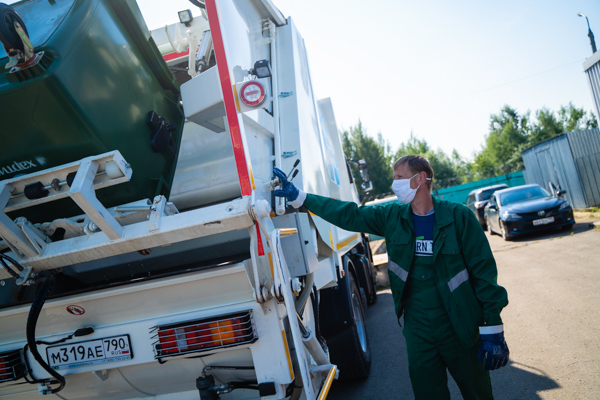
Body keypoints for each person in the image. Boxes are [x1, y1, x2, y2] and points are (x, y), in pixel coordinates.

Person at [273, 155, 509, 400]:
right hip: (418, 326)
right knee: (428, 393)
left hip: (460, 322)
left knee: (477, 392)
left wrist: (493, 327)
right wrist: (302, 198)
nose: (394, 183)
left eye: (399, 177)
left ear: (420, 178)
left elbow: (484, 273)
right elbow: (349, 214)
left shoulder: (459, 217)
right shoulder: (392, 217)